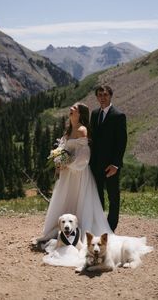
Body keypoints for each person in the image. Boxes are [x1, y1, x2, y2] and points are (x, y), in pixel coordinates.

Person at [35, 102, 112, 246]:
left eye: (74, 108)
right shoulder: (68, 130)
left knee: (78, 199)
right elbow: (62, 149)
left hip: (78, 174)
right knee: (65, 198)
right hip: (67, 175)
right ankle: (62, 230)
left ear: (80, 114)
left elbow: (84, 156)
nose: (71, 109)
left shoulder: (82, 130)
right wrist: (57, 161)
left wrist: (67, 164)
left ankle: (80, 235)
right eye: (71, 107)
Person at [90, 85, 127, 232]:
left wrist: (116, 164)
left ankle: (111, 227)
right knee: (97, 196)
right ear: (97, 97)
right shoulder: (94, 114)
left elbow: (122, 142)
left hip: (111, 166)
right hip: (95, 165)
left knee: (113, 197)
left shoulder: (118, 115)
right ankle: (99, 225)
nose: (102, 97)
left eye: (105, 94)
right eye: (99, 95)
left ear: (110, 96)